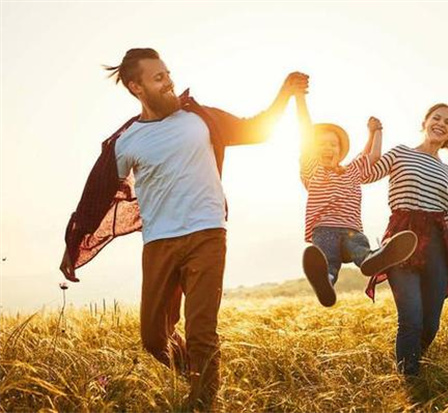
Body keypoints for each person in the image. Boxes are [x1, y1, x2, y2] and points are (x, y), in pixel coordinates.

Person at [58, 48, 308, 409]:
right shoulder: (126, 140)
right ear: (136, 87)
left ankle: (203, 400)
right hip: (159, 242)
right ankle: (198, 375)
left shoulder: (200, 118)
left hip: (207, 234)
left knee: (201, 330)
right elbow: (97, 197)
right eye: (158, 77)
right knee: (153, 338)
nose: (169, 81)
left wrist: (284, 91)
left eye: (168, 73)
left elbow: (257, 129)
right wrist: (73, 243)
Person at [362, 103, 448, 376]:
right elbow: (368, 174)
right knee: (411, 319)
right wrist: (375, 133)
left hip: (437, 245)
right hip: (402, 241)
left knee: (430, 325)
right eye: (436, 118)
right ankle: (410, 381)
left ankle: (413, 361)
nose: (441, 124)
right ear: (424, 122)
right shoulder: (401, 153)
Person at [295, 92, 417, 307]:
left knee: (360, 249)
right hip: (324, 230)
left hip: (352, 230)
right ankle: (327, 282)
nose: (327, 148)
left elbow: (373, 155)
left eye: (333, 145)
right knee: (327, 261)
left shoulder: (352, 171)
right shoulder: (312, 170)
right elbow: (305, 130)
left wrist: (376, 132)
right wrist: (300, 99)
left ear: (340, 151)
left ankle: (372, 260)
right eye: (321, 144)